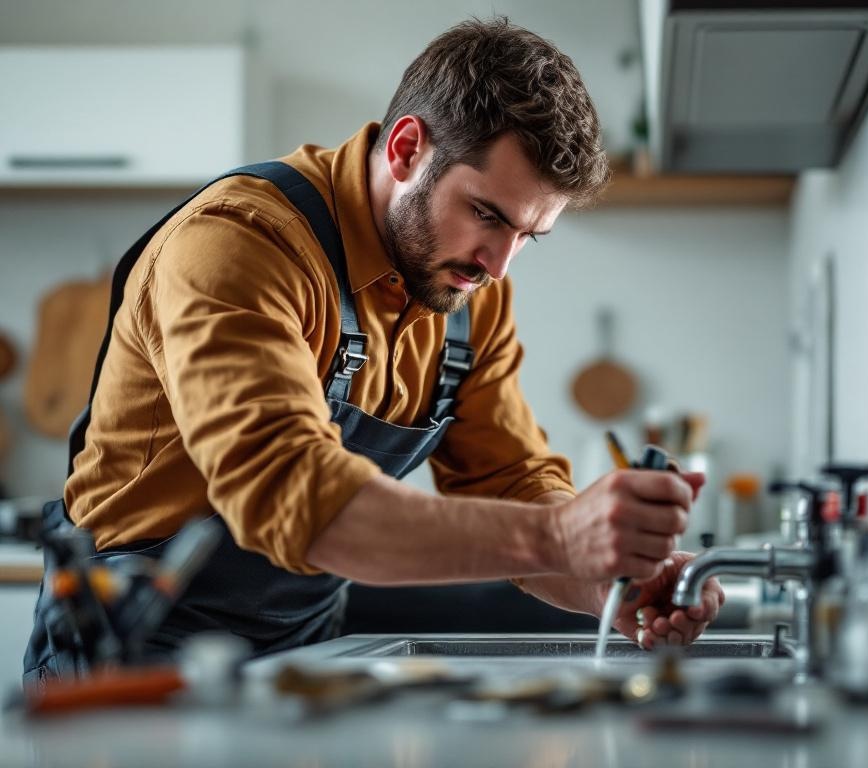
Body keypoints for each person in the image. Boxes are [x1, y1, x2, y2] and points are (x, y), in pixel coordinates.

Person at [24, 17, 723, 684]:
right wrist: (560, 537)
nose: (499, 265)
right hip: (130, 652)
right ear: (407, 149)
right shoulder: (238, 244)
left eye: (527, 236)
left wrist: (605, 583)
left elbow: (509, 481)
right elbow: (288, 492)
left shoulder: (464, 291)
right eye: (486, 214)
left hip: (302, 655)